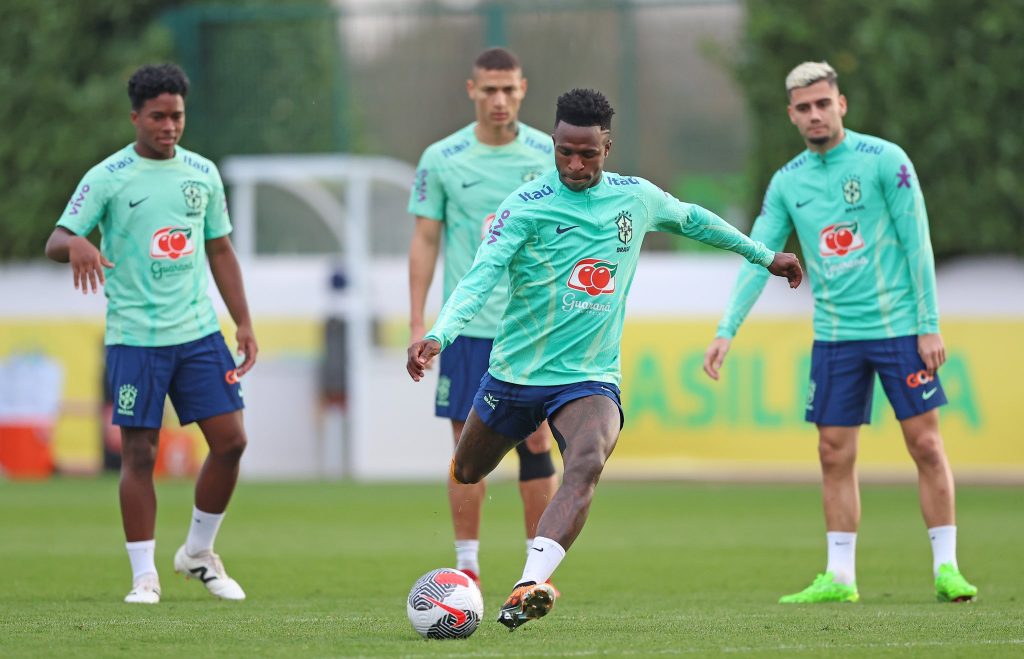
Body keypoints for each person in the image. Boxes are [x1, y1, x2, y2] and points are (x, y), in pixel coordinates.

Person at [407, 88, 804, 630]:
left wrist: (765, 256)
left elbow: (695, 220)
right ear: (553, 142)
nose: (574, 164)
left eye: (587, 154)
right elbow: (480, 276)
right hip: (515, 375)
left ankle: (530, 581)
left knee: (588, 459)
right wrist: (440, 334)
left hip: (587, 379)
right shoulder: (524, 206)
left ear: (606, 147)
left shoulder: (636, 198)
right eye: (565, 151)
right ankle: (479, 556)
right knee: (467, 469)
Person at [703, 61, 978, 604]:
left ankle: (947, 567)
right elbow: (759, 253)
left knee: (924, 443)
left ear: (841, 104)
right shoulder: (787, 182)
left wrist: (929, 326)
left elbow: (918, 243)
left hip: (901, 330)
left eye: (822, 104)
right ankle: (840, 576)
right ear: (792, 115)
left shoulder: (885, 161)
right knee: (833, 452)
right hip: (834, 336)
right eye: (803, 108)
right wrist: (726, 329)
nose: (814, 115)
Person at [44, 63, 256, 605]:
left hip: (199, 333)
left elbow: (220, 249)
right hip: (135, 338)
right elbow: (57, 238)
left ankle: (198, 554)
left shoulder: (202, 173)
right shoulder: (108, 177)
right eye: (158, 116)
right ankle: (145, 575)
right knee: (139, 454)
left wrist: (244, 321)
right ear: (136, 116)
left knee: (231, 441)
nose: (169, 126)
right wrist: (79, 245)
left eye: (177, 116)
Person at [407, 47, 559, 591]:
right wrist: (417, 320)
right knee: (468, 448)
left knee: (538, 441)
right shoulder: (442, 158)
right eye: (489, 90)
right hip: (468, 328)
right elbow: (425, 241)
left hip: (531, 328)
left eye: (508, 90)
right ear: (471, 90)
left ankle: (535, 572)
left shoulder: (549, 153)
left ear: (523, 88)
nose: (499, 100)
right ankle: (466, 568)